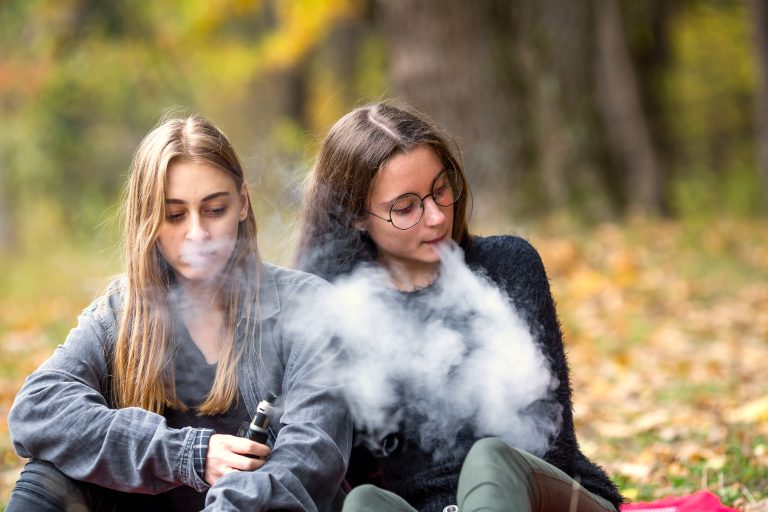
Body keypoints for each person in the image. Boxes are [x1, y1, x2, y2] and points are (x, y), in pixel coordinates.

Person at [7, 115, 351, 511]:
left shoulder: (309, 308)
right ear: (149, 222)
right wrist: (189, 455)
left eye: (215, 209)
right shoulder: (122, 312)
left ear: (242, 202)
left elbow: (312, 456)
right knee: (48, 474)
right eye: (175, 215)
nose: (197, 234)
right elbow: (38, 407)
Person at [295, 102, 624, 512]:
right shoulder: (339, 309)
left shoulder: (508, 265)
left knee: (489, 458)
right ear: (356, 217)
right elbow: (348, 471)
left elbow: (549, 442)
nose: (436, 217)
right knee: (362, 503)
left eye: (440, 190)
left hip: (545, 496)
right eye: (406, 207)